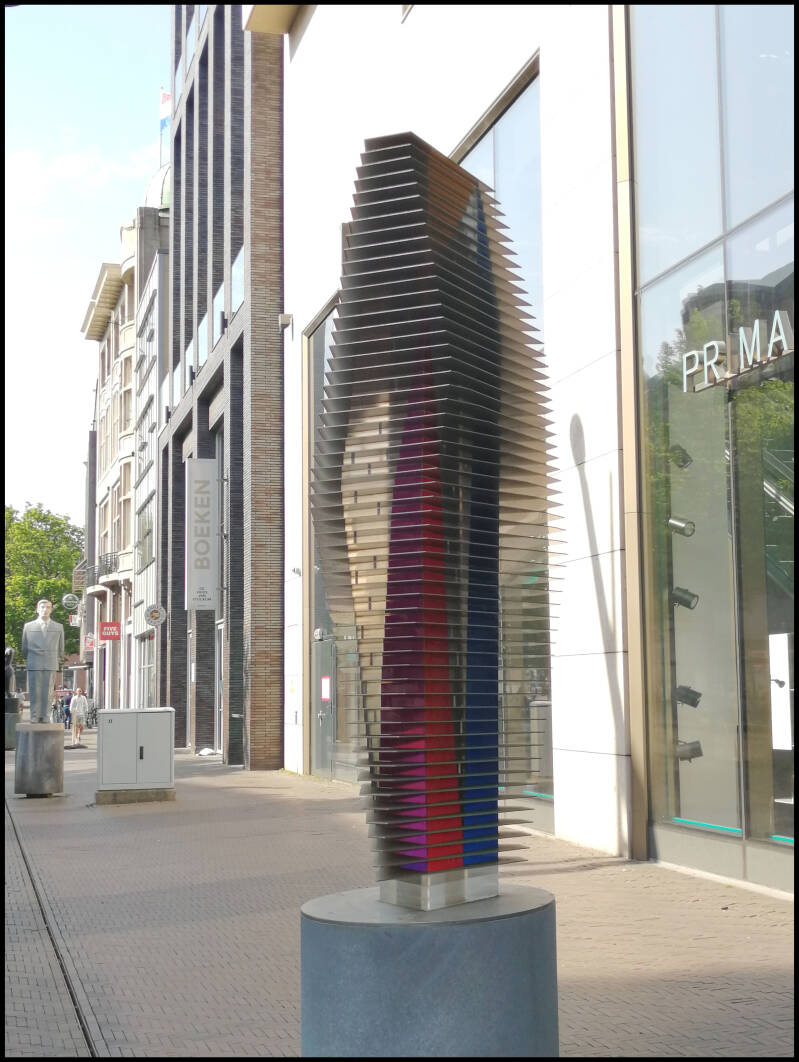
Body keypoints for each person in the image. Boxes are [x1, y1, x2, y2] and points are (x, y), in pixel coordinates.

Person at [21, 600, 65, 724]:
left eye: (48, 607)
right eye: (42, 607)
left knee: (48, 691)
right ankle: (34, 716)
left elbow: (61, 648)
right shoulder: (28, 626)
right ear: (37, 609)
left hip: (50, 662)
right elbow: (24, 647)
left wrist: (56, 657)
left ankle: (46, 716)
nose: (45, 609)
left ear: (51, 610)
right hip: (34, 661)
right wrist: (30, 657)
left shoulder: (58, 627)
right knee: (34, 691)